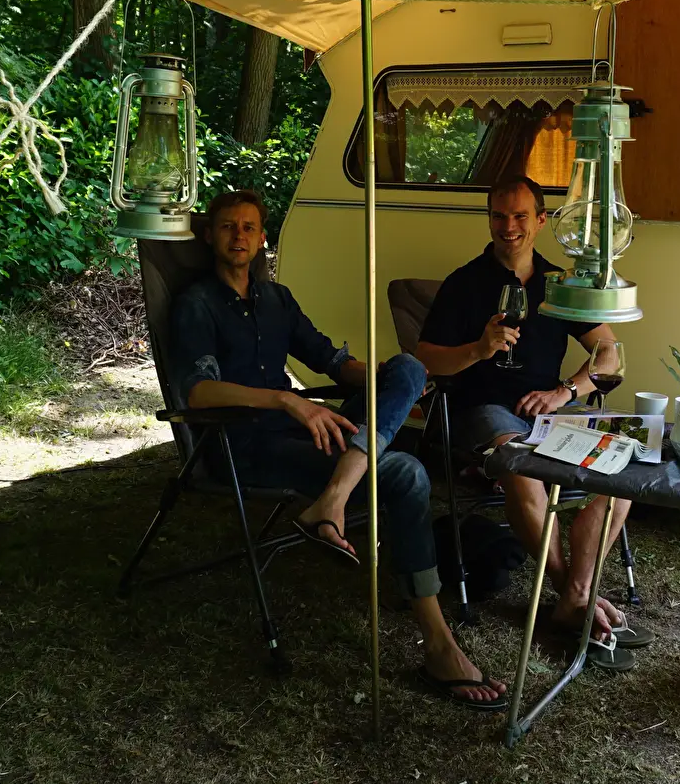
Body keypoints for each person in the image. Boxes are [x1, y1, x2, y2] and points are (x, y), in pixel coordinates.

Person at [169, 189, 506, 709]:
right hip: (243, 444)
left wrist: (389, 380)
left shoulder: (276, 300)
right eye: (228, 226)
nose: (239, 235)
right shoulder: (196, 304)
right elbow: (199, 393)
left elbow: (332, 363)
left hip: (305, 434)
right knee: (406, 473)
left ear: (262, 239)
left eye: (249, 227)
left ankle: (333, 499)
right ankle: (439, 643)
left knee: (409, 366)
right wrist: (287, 400)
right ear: (210, 235)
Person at [415, 176, 654, 664]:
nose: (509, 227)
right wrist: (478, 350)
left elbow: (609, 354)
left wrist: (564, 391)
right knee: (522, 471)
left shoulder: (560, 284)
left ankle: (575, 600)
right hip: (483, 411)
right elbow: (424, 359)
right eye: (499, 216)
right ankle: (576, 596)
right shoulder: (464, 284)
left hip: (551, 414)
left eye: (520, 216)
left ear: (542, 221)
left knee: (624, 472)